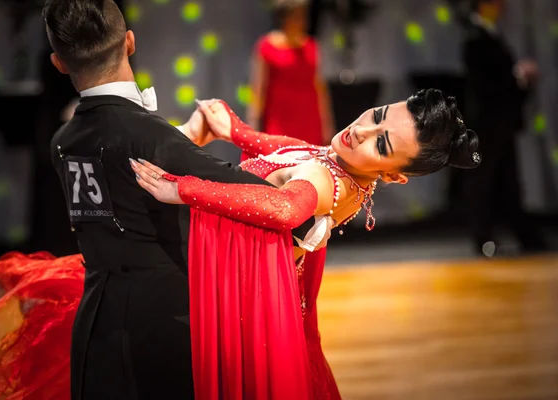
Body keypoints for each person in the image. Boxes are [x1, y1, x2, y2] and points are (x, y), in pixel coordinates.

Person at [0, 0, 322, 399]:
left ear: (59, 63)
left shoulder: (63, 144)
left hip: (95, 328)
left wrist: (181, 138)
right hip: (167, 328)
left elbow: (118, 165)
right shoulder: (149, 137)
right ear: (130, 42)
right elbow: (261, 199)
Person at [131, 89, 481, 399]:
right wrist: (235, 131)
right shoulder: (342, 164)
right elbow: (288, 150)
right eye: (377, 116)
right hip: (241, 285)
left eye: (381, 143)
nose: (360, 131)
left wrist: (183, 189)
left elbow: (285, 208)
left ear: (392, 175)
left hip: (231, 292)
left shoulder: (326, 181)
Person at [462, 0, 548, 255]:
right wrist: (517, 78)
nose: (502, 7)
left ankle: (523, 236)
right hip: (488, 124)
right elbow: (486, 86)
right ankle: (485, 238)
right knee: (486, 181)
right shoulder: (475, 38)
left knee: (506, 181)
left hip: (499, 122)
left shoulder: (488, 35)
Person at [247, 0, 335, 152]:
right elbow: (259, 89)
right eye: (296, 16)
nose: (301, 21)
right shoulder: (267, 46)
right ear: (284, 18)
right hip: (279, 120)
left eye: (303, 16)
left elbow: (319, 87)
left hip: (309, 120)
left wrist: (327, 124)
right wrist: (253, 125)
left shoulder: (311, 45)